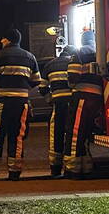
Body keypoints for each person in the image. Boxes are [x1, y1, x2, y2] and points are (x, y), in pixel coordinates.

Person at [0, 28, 41, 181]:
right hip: (21, 103)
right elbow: (35, 81)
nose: (1, 42)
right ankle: (14, 172)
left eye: (2, 39)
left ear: (7, 40)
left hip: (2, 101)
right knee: (17, 136)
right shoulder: (30, 57)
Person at [64, 30, 104, 178]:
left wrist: (71, 85)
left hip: (82, 96)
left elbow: (73, 76)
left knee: (75, 132)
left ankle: (72, 169)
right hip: (97, 98)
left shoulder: (79, 52)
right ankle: (86, 167)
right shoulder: (101, 52)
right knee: (86, 133)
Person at [39, 44, 79, 177]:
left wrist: (50, 99)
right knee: (72, 135)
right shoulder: (74, 63)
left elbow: (43, 87)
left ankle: (55, 169)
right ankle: (70, 168)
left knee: (56, 136)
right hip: (73, 105)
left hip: (58, 105)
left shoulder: (50, 65)